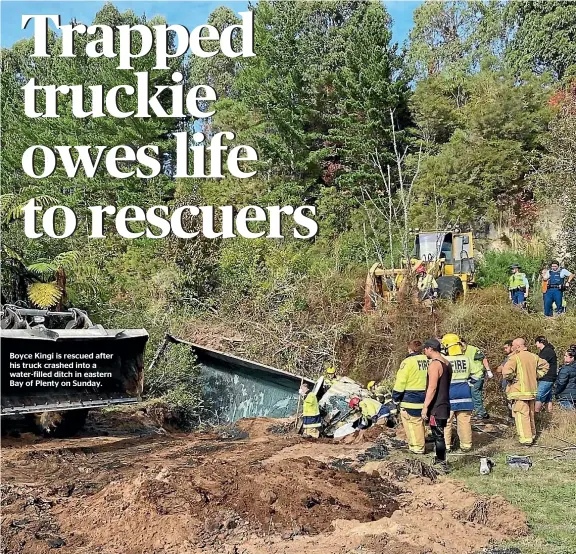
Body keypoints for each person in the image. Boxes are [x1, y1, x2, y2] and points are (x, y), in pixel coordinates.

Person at [501, 338, 549, 445]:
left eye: (513, 345)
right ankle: (532, 435)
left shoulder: (514, 358)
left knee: (521, 416)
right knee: (530, 415)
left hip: (519, 392)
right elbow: (545, 366)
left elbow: (506, 373)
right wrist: (536, 376)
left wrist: (512, 378)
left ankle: (525, 439)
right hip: (531, 391)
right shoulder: (534, 356)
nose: (512, 347)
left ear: (518, 346)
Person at [392, 340, 429, 455]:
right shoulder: (428, 360)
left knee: (412, 422)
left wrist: (395, 397)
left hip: (410, 397)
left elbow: (401, 382)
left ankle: (417, 447)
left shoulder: (407, 362)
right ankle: (419, 444)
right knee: (420, 422)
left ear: (410, 349)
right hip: (426, 396)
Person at [422, 338, 452, 473]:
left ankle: (441, 463)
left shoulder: (435, 364)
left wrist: (425, 407)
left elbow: (432, 388)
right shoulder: (447, 363)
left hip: (436, 405)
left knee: (438, 435)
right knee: (439, 433)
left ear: (430, 349)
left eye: (425, 349)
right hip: (445, 402)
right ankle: (440, 459)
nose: (424, 351)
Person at [441, 334, 474, 453]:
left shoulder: (445, 360)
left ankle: (447, 446)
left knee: (446, 421)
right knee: (464, 421)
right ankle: (466, 445)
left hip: (448, 393)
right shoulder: (467, 358)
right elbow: (475, 375)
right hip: (464, 392)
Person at [461, 339, 493, 420]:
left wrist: (488, 370)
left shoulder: (473, 349)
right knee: (473, 394)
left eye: (461, 344)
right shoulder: (459, 351)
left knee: (475, 394)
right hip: (470, 377)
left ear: (464, 343)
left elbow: (483, 359)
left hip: (477, 375)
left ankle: (481, 413)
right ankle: (480, 412)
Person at [534, 336, 558, 413]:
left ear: (540, 342)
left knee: (539, 397)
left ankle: (535, 414)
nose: (535, 345)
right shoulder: (548, 350)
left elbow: (538, 363)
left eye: (536, 342)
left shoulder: (547, 351)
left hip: (546, 378)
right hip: (549, 377)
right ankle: (549, 414)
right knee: (548, 398)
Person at [497, 340, 514, 418]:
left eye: (506, 348)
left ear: (512, 347)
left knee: (513, 404)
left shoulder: (513, 358)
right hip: (506, 384)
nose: (505, 350)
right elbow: (499, 369)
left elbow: (501, 369)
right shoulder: (507, 358)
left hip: (511, 385)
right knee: (509, 404)